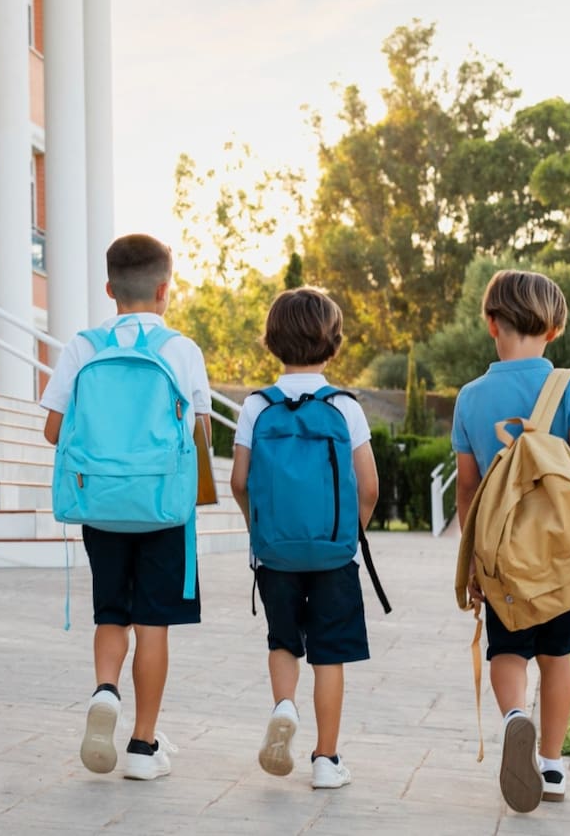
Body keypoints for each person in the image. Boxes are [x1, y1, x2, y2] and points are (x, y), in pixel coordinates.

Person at [40, 233, 212, 781]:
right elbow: (200, 437)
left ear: (109, 289)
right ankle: (143, 744)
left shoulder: (83, 347)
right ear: (165, 289)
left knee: (111, 612)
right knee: (153, 624)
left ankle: (105, 690)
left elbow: (53, 430)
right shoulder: (182, 350)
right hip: (163, 508)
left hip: (102, 505)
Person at [452, 268, 570, 811]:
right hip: (563, 553)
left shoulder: (471, 397)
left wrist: (474, 561)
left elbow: (468, 487)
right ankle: (552, 764)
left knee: (508, 650)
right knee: (557, 655)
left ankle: (515, 716)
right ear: (554, 328)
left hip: (502, 554)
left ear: (491, 323)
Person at [229, 287, 379, 790]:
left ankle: (284, 706)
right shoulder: (344, 406)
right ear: (333, 344)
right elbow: (369, 487)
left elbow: (239, 480)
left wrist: (259, 530)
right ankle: (326, 759)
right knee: (329, 654)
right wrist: (348, 534)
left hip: (275, 553)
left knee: (283, 641)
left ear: (272, 341)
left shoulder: (256, 406)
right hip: (334, 554)